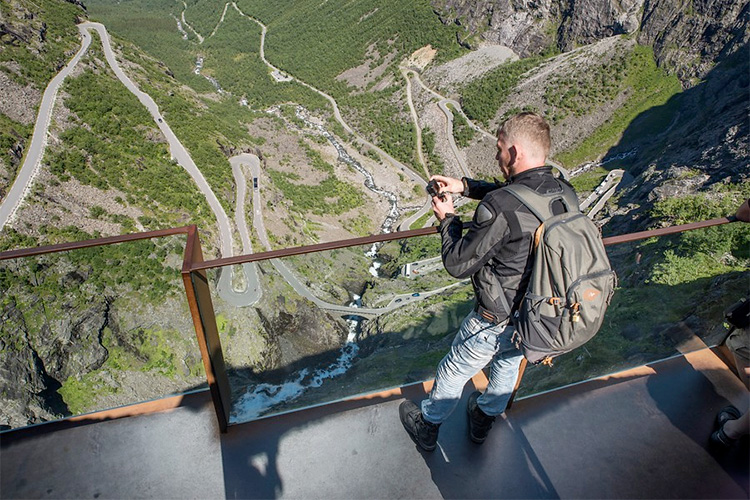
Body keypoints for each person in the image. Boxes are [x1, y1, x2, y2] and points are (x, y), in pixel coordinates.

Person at [399, 112, 578, 451]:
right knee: (508, 364)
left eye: (499, 150)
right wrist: (465, 186)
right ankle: (483, 420)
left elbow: (458, 262)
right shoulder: (564, 193)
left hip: (495, 315)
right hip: (539, 312)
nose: (496, 157)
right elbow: (519, 198)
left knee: (455, 368)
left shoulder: (500, 205)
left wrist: (448, 219)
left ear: (513, 151)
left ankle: (429, 425)